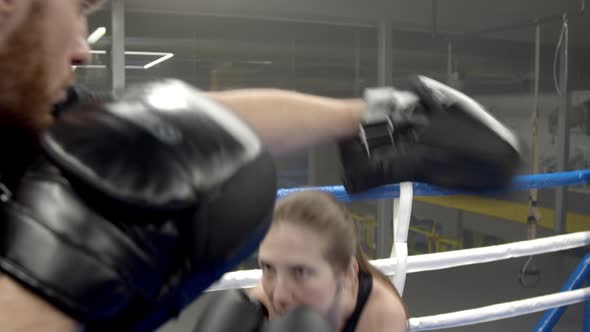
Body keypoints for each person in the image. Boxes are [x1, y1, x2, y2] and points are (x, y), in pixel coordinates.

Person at [0, 0, 522, 331]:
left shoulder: (31, 121)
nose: (81, 48)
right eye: (77, 9)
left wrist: (378, 112)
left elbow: (186, 123)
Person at [192, 190, 408, 332]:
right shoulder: (262, 304)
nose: (279, 295)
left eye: (300, 272)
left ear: (347, 273)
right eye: (268, 268)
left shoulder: (381, 314)